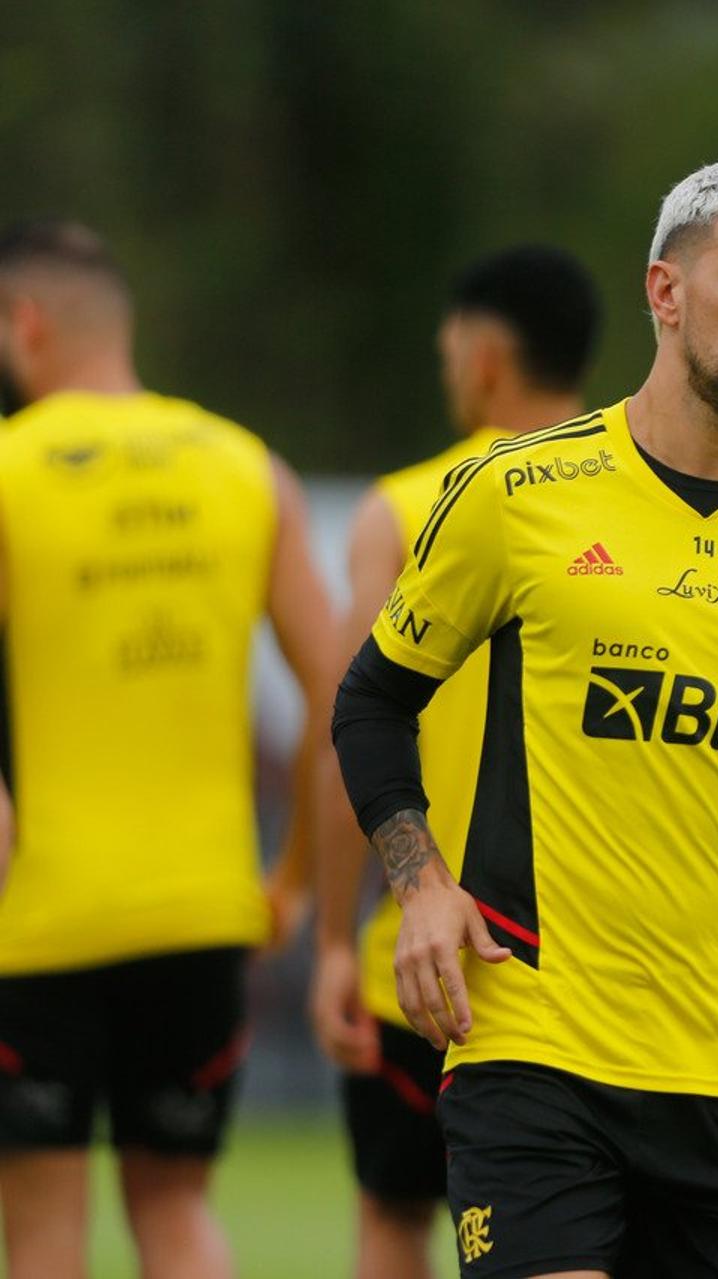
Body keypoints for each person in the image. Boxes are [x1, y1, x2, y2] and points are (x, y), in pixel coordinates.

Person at [331, 158, 718, 1279]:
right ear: (665, 291)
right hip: (539, 1050)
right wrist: (421, 883)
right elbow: (371, 701)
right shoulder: (517, 495)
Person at [0, 219, 335, 1279]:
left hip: (38, 916)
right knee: (179, 1213)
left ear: (27, 324)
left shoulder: (8, 470)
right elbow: (343, 696)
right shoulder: (247, 468)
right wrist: (289, 881)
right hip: (202, 907)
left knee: (45, 1232)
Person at [310, 244, 601, 1279]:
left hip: (424, 961)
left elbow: (342, 720)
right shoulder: (628, 501)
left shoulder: (402, 506)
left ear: (482, 358)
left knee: (395, 1225)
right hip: (589, 969)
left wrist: (336, 937)